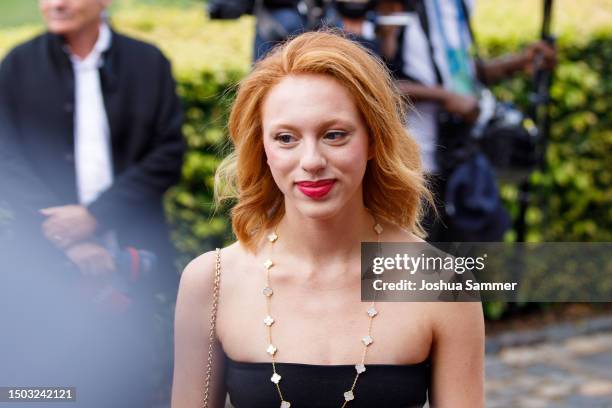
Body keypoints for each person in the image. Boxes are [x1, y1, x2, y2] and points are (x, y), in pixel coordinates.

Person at [172, 31, 484, 407]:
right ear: (263, 149)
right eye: (286, 138)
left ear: (373, 140)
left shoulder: (441, 282)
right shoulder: (213, 281)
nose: (311, 161)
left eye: (334, 135)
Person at [0, 0, 184, 405]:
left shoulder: (148, 63)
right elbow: (6, 159)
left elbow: (169, 153)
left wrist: (95, 217)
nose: (56, 4)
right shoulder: (16, 65)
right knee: (48, 388)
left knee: (134, 380)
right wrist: (68, 236)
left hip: (135, 254)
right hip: (44, 258)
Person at [381, 0, 556, 242]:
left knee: (467, 268)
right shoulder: (394, 7)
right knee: (416, 272)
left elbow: (457, 72)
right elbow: (372, 82)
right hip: (413, 169)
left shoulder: (457, 6)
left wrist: (518, 63)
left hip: (457, 164)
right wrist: (445, 97)